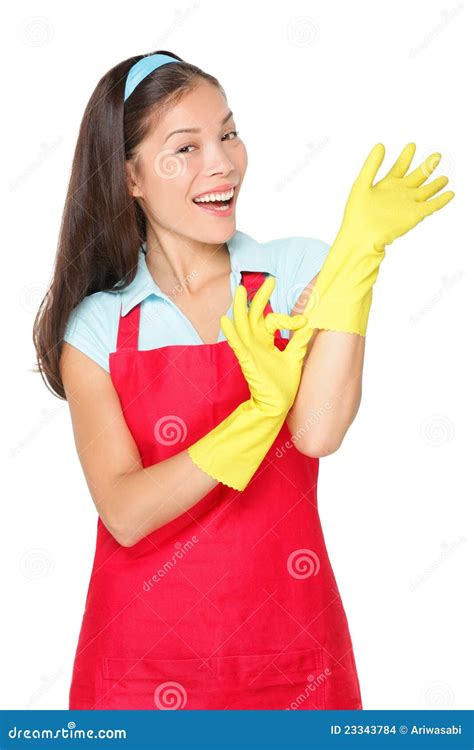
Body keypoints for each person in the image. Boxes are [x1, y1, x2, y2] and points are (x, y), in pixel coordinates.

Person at [33, 51, 453, 710]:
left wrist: (358, 256)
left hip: (292, 660)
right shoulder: (99, 326)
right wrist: (258, 414)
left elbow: (317, 431)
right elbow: (125, 512)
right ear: (130, 177)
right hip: (140, 668)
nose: (222, 162)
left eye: (228, 133)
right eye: (186, 147)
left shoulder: (293, 273)